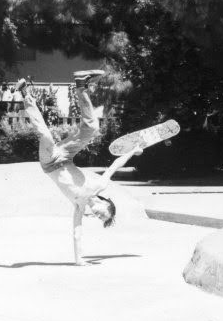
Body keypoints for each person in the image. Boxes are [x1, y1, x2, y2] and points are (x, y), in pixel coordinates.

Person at [17, 70, 142, 265]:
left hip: (49, 163)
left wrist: (79, 260)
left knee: (46, 136)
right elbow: (115, 164)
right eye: (103, 214)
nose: (98, 215)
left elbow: (77, 232)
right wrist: (132, 151)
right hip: (66, 156)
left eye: (100, 218)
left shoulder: (79, 206)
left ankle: (25, 94)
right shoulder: (100, 185)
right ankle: (81, 85)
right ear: (106, 203)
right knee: (92, 128)